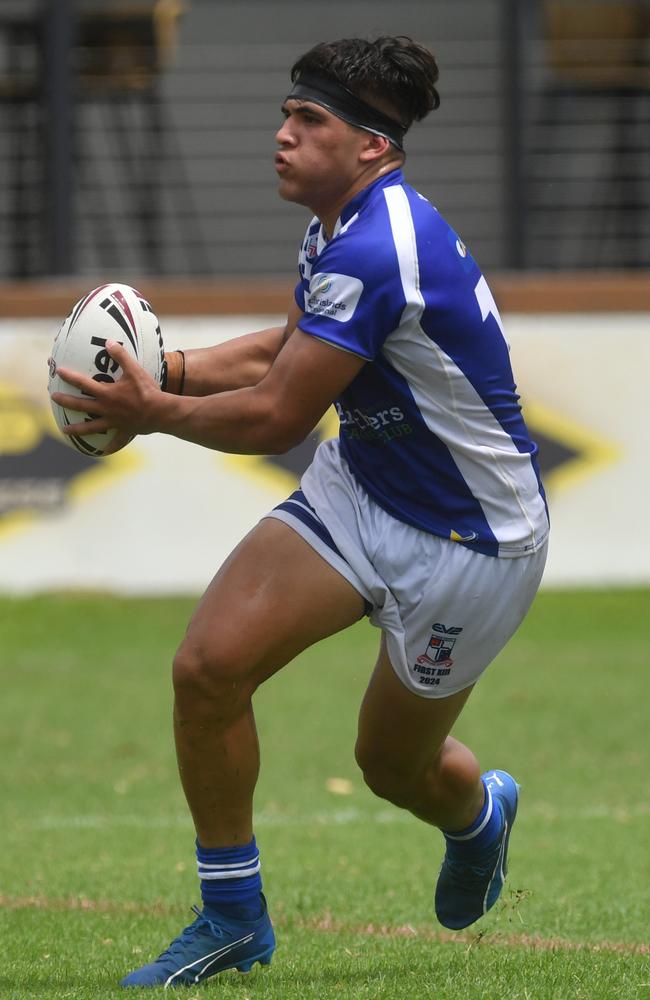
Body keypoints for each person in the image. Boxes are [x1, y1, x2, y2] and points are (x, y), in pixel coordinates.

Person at [52, 35, 550, 989]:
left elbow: (281, 412)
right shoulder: (340, 225)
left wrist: (151, 411)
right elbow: (294, 344)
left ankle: (477, 815)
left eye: (307, 121)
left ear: (372, 146)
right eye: (286, 113)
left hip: (473, 543)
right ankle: (233, 915)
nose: (280, 135)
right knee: (207, 669)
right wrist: (178, 368)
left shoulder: (378, 246)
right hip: (362, 487)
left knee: (392, 768)